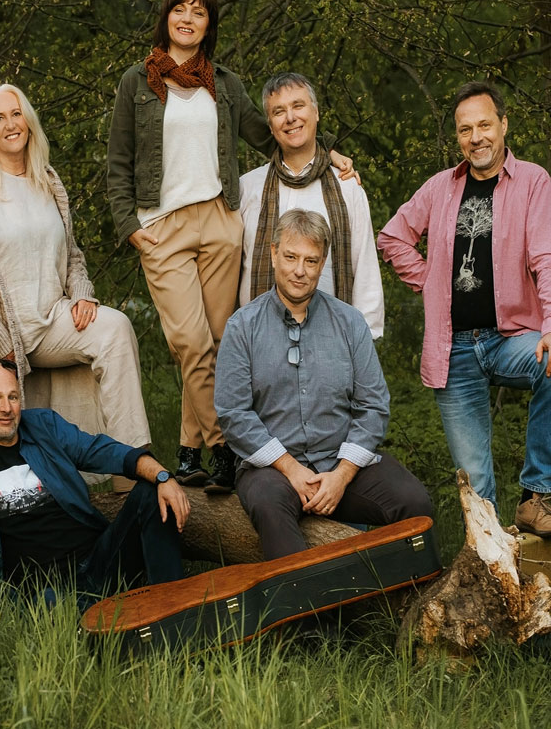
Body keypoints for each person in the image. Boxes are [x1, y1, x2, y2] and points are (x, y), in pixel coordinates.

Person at [106, 0, 356, 495]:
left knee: (219, 343)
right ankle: (226, 449)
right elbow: (119, 160)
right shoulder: (137, 81)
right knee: (190, 343)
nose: (188, 19)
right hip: (162, 226)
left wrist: (326, 150)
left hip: (220, 221)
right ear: (166, 18)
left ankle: (188, 452)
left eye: (199, 12)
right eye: (180, 9)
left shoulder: (224, 83)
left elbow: (271, 135)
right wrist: (129, 226)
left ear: (208, 25)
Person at [0, 84, 152, 494]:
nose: (10, 124)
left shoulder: (47, 180)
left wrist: (82, 291)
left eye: (16, 114)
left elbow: (71, 253)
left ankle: (132, 475)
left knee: (116, 329)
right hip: (2, 332)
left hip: (52, 320)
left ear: (28, 121)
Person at [378, 81, 551, 534]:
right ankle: (491, 561)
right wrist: (430, 281)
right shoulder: (440, 188)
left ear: (504, 125)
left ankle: (537, 494)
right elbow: (393, 237)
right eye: (465, 129)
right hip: (453, 350)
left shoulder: (533, 182)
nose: (476, 137)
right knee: (477, 490)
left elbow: (545, 257)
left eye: (484, 125)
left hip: (513, 338)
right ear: (457, 136)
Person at [214, 209, 432, 560]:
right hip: (272, 469)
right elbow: (233, 414)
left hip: (341, 460)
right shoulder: (242, 327)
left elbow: (373, 405)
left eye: (311, 260)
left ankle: (407, 590)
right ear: (273, 254)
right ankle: (306, 596)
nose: (299, 270)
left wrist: (342, 475)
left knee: (414, 502)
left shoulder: (350, 322)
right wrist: (290, 468)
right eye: (291, 257)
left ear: (323, 262)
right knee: (270, 506)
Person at [0, 360, 189, 600]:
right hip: (40, 592)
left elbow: (100, 450)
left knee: (150, 492)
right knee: (51, 602)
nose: (6, 408)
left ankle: (173, 605)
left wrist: (162, 476)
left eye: (13, 397)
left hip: (97, 564)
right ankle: (107, 610)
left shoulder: (44, 426)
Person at [239, 72, 383, 338]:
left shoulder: (347, 187)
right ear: (270, 125)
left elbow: (365, 269)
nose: (290, 118)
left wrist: (367, 337)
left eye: (298, 106)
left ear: (316, 113)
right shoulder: (248, 188)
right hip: (258, 341)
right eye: (279, 111)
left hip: (332, 340)